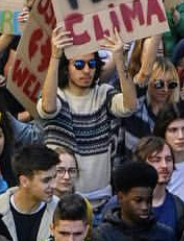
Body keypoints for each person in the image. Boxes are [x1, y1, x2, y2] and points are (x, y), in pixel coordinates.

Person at [39, 27, 136, 203]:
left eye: (91, 64)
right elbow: (47, 107)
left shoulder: (104, 93)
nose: (86, 70)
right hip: (59, 200)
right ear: (66, 68)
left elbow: (129, 106)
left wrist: (120, 60)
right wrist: (55, 57)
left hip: (100, 199)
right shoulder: (57, 95)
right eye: (78, 64)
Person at [91, 161, 177, 241]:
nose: (145, 207)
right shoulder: (103, 235)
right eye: (138, 200)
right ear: (121, 198)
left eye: (148, 201)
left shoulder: (165, 235)